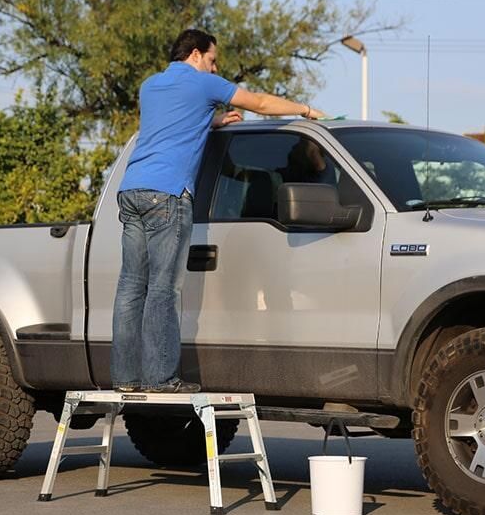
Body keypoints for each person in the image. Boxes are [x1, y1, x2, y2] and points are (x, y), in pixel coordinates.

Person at [111, 29, 326, 393]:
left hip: (132, 190)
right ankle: (161, 379)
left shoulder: (150, 86)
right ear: (196, 54)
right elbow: (258, 102)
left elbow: (167, 125)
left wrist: (213, 122)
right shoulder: (203, 85)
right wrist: (305, 110)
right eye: (212, 60)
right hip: (167, 194)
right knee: (163, 290)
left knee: (131, 287)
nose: (214, 68)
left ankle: (125, 378)